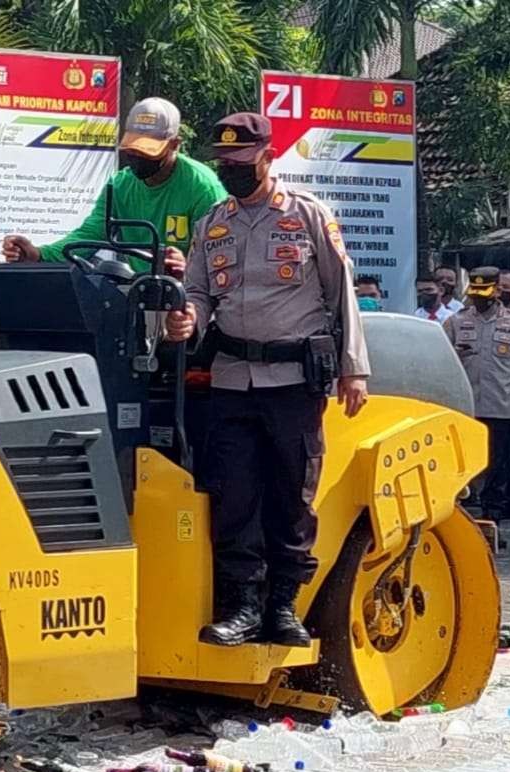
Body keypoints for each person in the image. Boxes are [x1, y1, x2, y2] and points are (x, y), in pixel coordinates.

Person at [164, 112, 370, 648]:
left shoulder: (306, 216)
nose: (230, 171)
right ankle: (243, 608)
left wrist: (354, 370)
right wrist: (188, 317)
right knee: (233, 495)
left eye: (240, 162)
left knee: (290, 495)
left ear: (267, 157)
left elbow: (340, 292)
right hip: (232, 380)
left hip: (292, 381)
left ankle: (284, 608)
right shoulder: (214, 223)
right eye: (224, 164)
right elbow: (201, 292)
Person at [1, 98, 226, 279]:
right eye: (133, 149)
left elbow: (218, 257)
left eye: (147, 152)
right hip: (139, 288)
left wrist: (187, 267)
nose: (137, 157)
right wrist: (40, 254)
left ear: (174, 145)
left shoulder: (202, 188)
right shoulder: (119, 185)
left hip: (189, 296)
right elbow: (89, 235)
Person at [443, 267, 510, 520]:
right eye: (475, 294)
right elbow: (445, 364)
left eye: (484, 294)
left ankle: (493, 518)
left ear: (497, 291)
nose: (478, 300)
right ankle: (469, 514)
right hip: (466, 406)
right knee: (467, 464)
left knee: (498, 466)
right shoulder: (456, 322)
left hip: (502, 406)